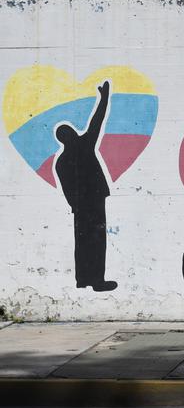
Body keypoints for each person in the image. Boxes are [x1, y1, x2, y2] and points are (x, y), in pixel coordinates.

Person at [54, 81, 117, 292]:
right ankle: (97, 280)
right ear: (69, 135)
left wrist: (75, 205)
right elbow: (96, 122)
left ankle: (83, 279)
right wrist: (104, 99)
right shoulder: (84, 145)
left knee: (82, 243)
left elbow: (66, 189)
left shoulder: (62, 160)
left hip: (81, 207)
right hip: (94, 203)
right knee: (97, 241)